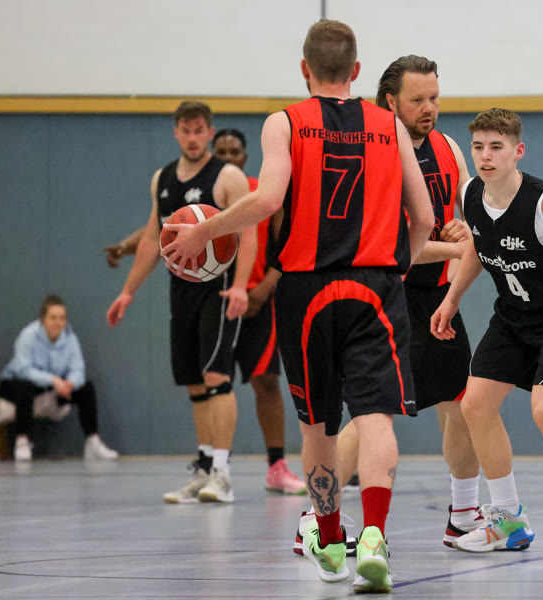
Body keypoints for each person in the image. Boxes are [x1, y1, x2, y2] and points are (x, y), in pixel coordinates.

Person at [161, 19, 433, 592]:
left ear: (305, 69)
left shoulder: (284, 122)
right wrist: (398, 268)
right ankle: (375, 535)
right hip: (376, 284)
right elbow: (425, 216)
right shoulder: (388, 124)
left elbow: (267, 199)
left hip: (306, 291)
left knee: (318, 428)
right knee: (375, 418)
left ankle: (330, 541)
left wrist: (204, 229)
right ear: (357, 71)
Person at [431, 108, 543, 560]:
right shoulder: (471, 194)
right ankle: (508, 519)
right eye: (478, 147)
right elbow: (479, 246)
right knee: (474, 405)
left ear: (518, 151)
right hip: (512, 318)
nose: (485, 156)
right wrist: (451, 299)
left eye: (496, 147)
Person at [327, 55, 483, 549]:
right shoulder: (375, 150)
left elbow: (468, 219)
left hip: (438, 297)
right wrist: (454, 248)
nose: (429, 107)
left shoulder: (448, 147)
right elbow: (393, 241)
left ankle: (464, 513)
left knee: (463, 401)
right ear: (391, 101)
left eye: (434, 97)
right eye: (418, 100)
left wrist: (463, 238)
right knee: (374, 414)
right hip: (387, 294)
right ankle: (316, 518)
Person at [103, 126, 304, 495]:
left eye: (234, 152)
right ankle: (209, 466)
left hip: (257, 297)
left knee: (265, 382)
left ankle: (276, 466)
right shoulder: (207, 196)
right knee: (206, 379)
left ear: (245, 158)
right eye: (221, 152)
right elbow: (163, 231)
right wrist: (124, 248)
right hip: (218, 297)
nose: (227, 158)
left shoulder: (263, 193)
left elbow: (289, 243)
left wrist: (262, 289)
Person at [107, 101, 256, 503]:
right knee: (194, 382)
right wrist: (127, 292)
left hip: (220, 288)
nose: (192, 138)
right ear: (175, 132)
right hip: (182, 288)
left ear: (210, 133)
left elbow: (250, 233)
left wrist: (241, 285)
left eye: (199, 130)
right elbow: (152, 239)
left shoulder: (227, 177)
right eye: (185, 131)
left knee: (216, 377)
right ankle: (204, 468)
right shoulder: (163, 178)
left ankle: (222, 473)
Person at [0, 295, 118, 461]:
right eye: (53, 317)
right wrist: (54, 380)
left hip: (52, 388)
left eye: (62, 318)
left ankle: (92, 442)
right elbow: (23, 370)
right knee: (25, 387)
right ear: (43, 319)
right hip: (15, 383)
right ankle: (22, 441)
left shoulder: (70, 338)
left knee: (86, 388)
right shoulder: (28, 335)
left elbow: (78, 369)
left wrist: (70, 383)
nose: (58, 322)